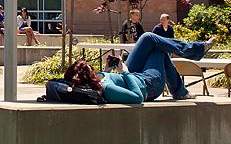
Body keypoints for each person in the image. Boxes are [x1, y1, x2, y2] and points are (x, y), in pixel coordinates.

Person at [75, 33, 214, 103]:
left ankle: (180, 91)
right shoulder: (107, 87)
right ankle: (195, 51)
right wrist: (124, 72)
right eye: (89, 69)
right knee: (158, 48)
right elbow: (137, 97)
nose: (93, 69)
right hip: (149, 85)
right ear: (86, 76)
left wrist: (107, 70)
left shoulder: (99, 79)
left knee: (149, 39)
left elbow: (108, 80)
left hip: (133, 76)